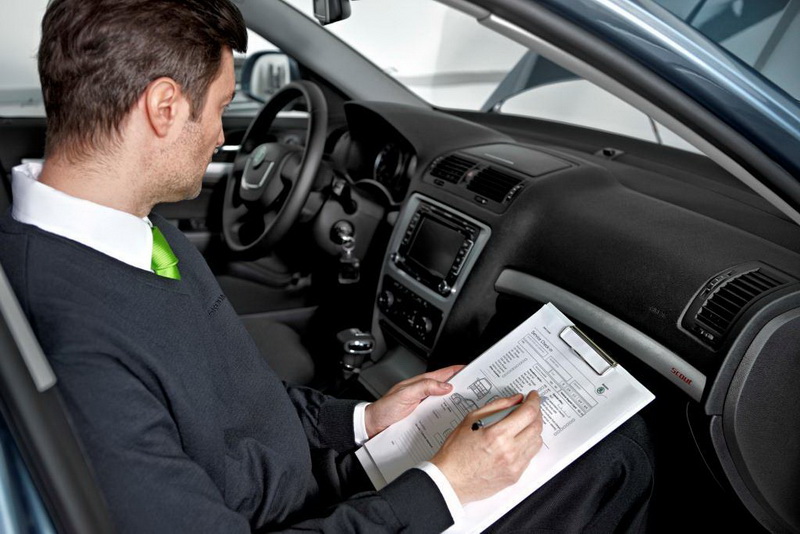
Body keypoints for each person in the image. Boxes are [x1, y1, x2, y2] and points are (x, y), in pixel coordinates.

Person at [0, 0, 653, 532]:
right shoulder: (72, 349)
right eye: (221, 107)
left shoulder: (130, 230)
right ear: (164, 107)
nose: (222, 135)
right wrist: (446, 487)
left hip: (315, 488)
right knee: (614, 458)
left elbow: (229, 400)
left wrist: (364, 423)